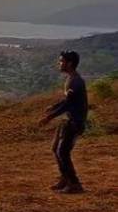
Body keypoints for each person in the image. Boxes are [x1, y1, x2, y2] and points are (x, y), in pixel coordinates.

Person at [38, 50, 88, 194]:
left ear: (69, 63)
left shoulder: (76, 82)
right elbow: (67, 101)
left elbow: (68, 104)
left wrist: (49, 117)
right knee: (57, 149)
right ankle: (65, 179)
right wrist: (53, 107)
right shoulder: (72, 79)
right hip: (68, 120)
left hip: (75, 122)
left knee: (63, 152)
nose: (59, 64)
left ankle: (75, 184)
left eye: (61, 61)